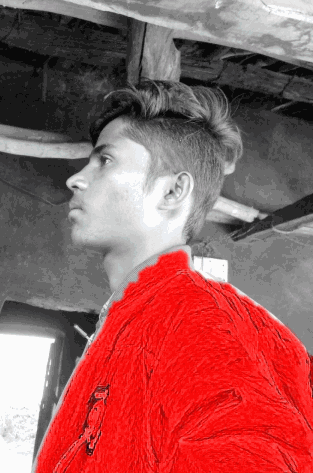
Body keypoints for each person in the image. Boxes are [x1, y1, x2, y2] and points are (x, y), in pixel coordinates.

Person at [33, 79, 313, 472]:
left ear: (172, 192)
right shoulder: (131, 322)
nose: (75, 179)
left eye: (105, 160)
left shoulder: (194, 320)